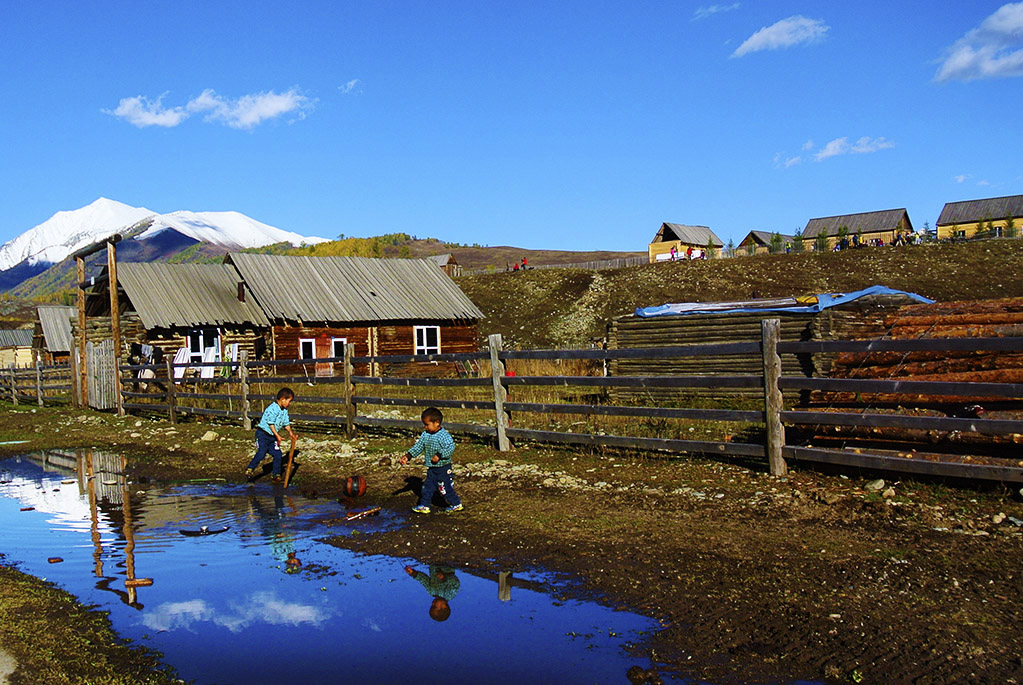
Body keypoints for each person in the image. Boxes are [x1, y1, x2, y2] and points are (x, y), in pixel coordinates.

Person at [400, 406, 462, 513]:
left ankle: (456, 503)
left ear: (437, 423)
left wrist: (439, 455)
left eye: (427, 424)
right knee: (427, 487)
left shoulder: (444, 436)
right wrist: (408, 456)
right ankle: (424, 505)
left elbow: (450, 448)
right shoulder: (425, 435)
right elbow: (419, 446)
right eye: (424, 424)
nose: (425, 427)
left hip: (443, 468)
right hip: (432, 468)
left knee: (444, 488)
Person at [245, 387, 297, 482]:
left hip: (272, 437)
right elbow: (271, 424)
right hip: (263, 435)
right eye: (289, 401)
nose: (289, 404)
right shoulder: (272, 409)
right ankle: (250, 468)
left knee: (277, 454)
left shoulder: (284, 411)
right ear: (282, 399)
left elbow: (286, 423)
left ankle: (276, 474)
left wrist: (291, 433)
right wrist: (277, 436)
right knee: (262, 453)